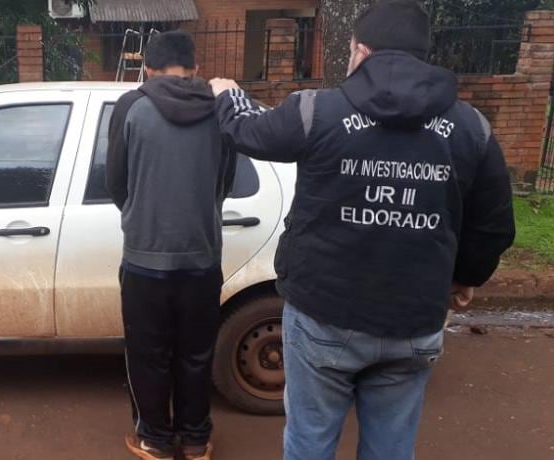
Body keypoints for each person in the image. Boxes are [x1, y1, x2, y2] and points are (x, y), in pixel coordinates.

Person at [208, 1, 515, 459]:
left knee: (310, 440)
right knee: (391, 448)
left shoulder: (317, 111)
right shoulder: (470, 128)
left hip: (322, 315)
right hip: (413, 321)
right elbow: (494, 225)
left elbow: (249, 131)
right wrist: (465, 275)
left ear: (360, 51)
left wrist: (225, 93)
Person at [106, 31, 236, 460]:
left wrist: (141, 215)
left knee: (148, 354)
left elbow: (116, 183)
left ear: (147, 68)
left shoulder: (130, 106)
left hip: (144, 258)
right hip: (202, 257)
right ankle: (196, 440)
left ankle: (155, 441)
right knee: (196, 354)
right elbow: (227, 181)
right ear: (195, 69)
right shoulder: (220, 109)